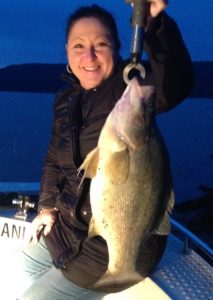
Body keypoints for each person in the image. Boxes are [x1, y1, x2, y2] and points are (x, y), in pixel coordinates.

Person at [19, 1, 194, 299]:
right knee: (25, 264)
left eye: (101, 44)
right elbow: (53, 158)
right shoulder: (66, 100)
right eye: (79, 45)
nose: (89, 56)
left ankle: (119, 271)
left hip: (118, 239)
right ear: (67, 51)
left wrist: (154, 23)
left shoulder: (129, 89)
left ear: (116, 48)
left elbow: (175, 82)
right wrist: (47, 206)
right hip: (70, 226)